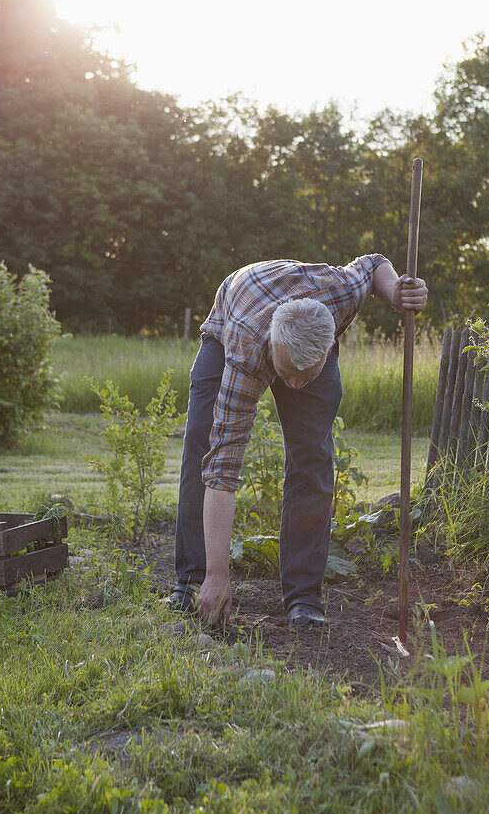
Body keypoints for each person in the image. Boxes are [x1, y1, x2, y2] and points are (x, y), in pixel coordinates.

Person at [169, 255, 428, 626]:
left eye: (304, 378)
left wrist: (398, 294)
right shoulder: (246, 355)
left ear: (328, 347)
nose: (292, 387)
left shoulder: (341, 293)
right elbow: (223, 470)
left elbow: (374, 266)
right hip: (236, 313)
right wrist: (218, 575)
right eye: (287, 374)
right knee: (203, 446)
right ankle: (194, 581)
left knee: (313, 460)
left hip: (301, 329)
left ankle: (303, 596)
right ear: (275, 346)